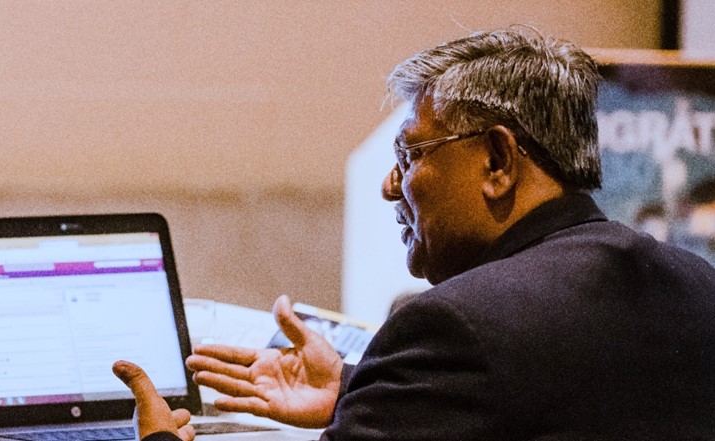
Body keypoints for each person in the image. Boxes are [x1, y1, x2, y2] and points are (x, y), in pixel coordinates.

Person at [129, 27, 715, 440]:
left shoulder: (452, 325)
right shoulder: (696, 283)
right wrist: (362, 391)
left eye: (410, 154)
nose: (390, 185)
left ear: (497, 162)